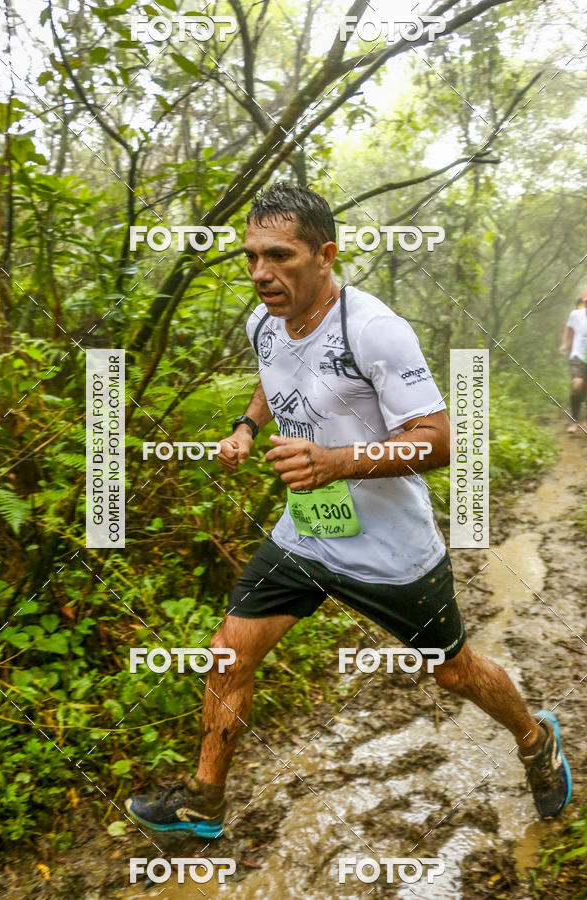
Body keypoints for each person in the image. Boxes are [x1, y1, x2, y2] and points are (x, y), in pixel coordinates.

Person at [126, 182, 571, 839]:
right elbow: (274, 380)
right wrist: (244, 427)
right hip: (307, 534)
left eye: (279, 256)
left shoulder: (373, 329)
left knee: (453, 671)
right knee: (229, 653)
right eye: (250, 257)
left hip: (391, 551)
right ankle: (204, 799)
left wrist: (336, 462)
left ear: (325, 254)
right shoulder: (263, 322)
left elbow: (442, 438)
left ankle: (536, 739)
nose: (260, 274)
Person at [559, 291, 587, 434]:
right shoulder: (575, 315)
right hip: (577, 355)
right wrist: (564, 344)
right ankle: (574, 420)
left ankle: (578, 415)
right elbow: (566, 330)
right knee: (577, 386)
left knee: (583, 391)